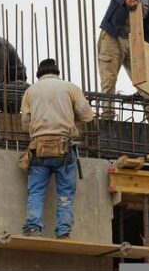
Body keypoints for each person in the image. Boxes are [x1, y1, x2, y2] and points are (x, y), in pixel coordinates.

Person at [21, 58, 94, 239]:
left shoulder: (30, 91)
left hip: (39, 148)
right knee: (65, 194)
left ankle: (33, 229)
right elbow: (87, 116)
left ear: (39, 74)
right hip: (64, 148)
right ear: (57, 72)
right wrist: (69, 117)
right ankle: (63, 233)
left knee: (36, 191)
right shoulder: (70, 88)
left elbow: (25, 124)